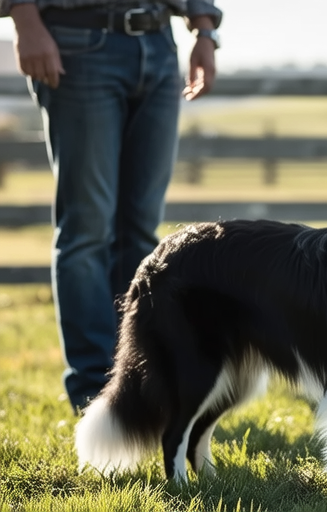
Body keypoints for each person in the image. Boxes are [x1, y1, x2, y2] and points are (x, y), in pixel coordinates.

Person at [0, 0, 222, 413]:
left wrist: (204, 29)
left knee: (141, 230)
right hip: (77, 42)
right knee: (87, 230)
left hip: (158, 43)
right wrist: (23, 17)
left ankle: (139, 383)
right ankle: (93, 395)